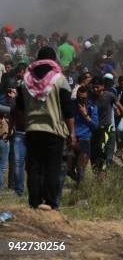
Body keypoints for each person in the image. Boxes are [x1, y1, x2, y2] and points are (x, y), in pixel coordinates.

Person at [16, 47, 76, 210]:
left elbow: (19, 108)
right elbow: (68, 110)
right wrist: (72, 132)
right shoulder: (60, 80)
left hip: (32, 130)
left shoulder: (25, 81)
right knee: (52, 167)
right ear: (53, 60)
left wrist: (23, 125)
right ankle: (49, 203)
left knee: (34, 166)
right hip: (53, 131)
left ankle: (34, 202)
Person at [91, 76, 123, 171]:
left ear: (103, 86)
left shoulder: (109, 95)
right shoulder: (91, 97)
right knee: (96, 154)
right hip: (95, 129)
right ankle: (98, 174)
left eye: (97, 87)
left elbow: (121, 107)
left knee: (107, 155)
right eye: (94, 87)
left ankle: (104, 175)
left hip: (108, 128)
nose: (95, 89)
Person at [68, 86, 98, 184]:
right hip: (72, 139)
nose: (81, 100)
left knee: (81, 169)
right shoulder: (71, 105)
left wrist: (85, 114)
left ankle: (80, 189)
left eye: (83, 98)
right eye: (79, 98)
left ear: (87, 97)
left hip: (85, 140)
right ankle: (77, 182)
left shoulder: (92, 107)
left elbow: (95, 126)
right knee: (68, 170)